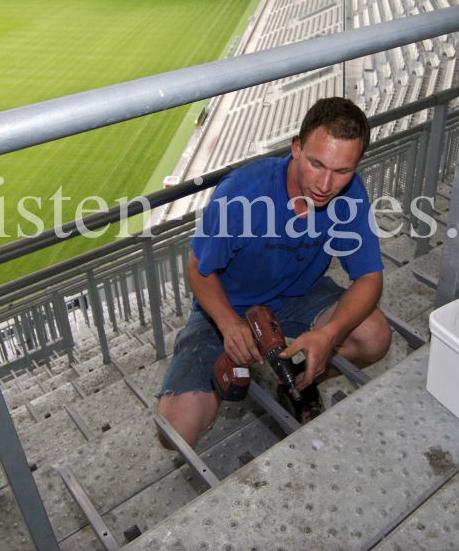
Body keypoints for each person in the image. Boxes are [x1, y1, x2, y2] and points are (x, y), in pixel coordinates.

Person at [155, 97, 391, 449]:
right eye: (316, 164)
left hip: (300, 294)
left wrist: (329, 334)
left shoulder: (351, 193)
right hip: (230, 306)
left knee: (375, 337)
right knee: (173, 433)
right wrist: (228, 325)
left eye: (342, 171)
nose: (326, 184)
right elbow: (197, 269)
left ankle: (297, 379)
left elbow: (370, 277)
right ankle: (235, 358)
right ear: (297, 148)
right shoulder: (242, 193)